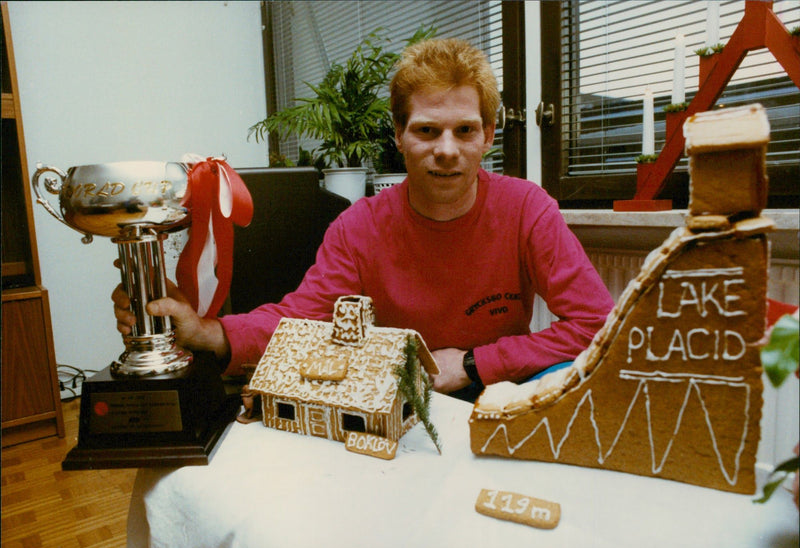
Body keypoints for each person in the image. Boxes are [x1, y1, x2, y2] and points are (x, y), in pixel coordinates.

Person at [113, 37, 614, 402]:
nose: (446, 150)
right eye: (426, 130)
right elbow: (298, 319)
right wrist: (207, 333)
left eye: (464, 130)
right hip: (399, 407)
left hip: (497, 398)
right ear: (398, 134)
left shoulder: (528, 208)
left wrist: (469, 363)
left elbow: (596, 324)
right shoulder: (359, 227)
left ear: (487, 135)